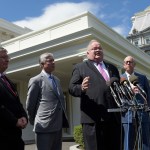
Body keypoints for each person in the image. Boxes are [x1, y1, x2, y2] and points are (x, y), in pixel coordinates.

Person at [69, 39, 122, 150]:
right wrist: (81, 88)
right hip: (92, 119)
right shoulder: (80, 67)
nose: (97, 50)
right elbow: (71, 88)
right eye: (94, 48)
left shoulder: (112, 68)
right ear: (87, 53)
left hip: (113, 118)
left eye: (100, 48)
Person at [26, 52, 69, 150]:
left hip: (58, 126)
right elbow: (30, 105)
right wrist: (36, 120)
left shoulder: (57, 80)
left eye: (53, 60)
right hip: (44, 126)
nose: (53, 62)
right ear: (41, 64)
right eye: (50, 61)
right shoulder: (36, 80)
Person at [0, 47, 28, 150]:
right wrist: (14, 121)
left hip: (15, 136)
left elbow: (17, 103)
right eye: (3, 57)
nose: (7, 60)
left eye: (7, 57)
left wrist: (24, 117)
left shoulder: (7, 80)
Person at [121, 56, 150, 150]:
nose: (128, 63)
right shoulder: (120, 79)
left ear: (134, 65)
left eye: (130, 62)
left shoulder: (142, 78)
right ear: (123, 65)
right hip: (127, 115)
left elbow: (148, 96)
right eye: (126, 62)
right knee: (128, 141)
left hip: (142, 114)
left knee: (145, 141)